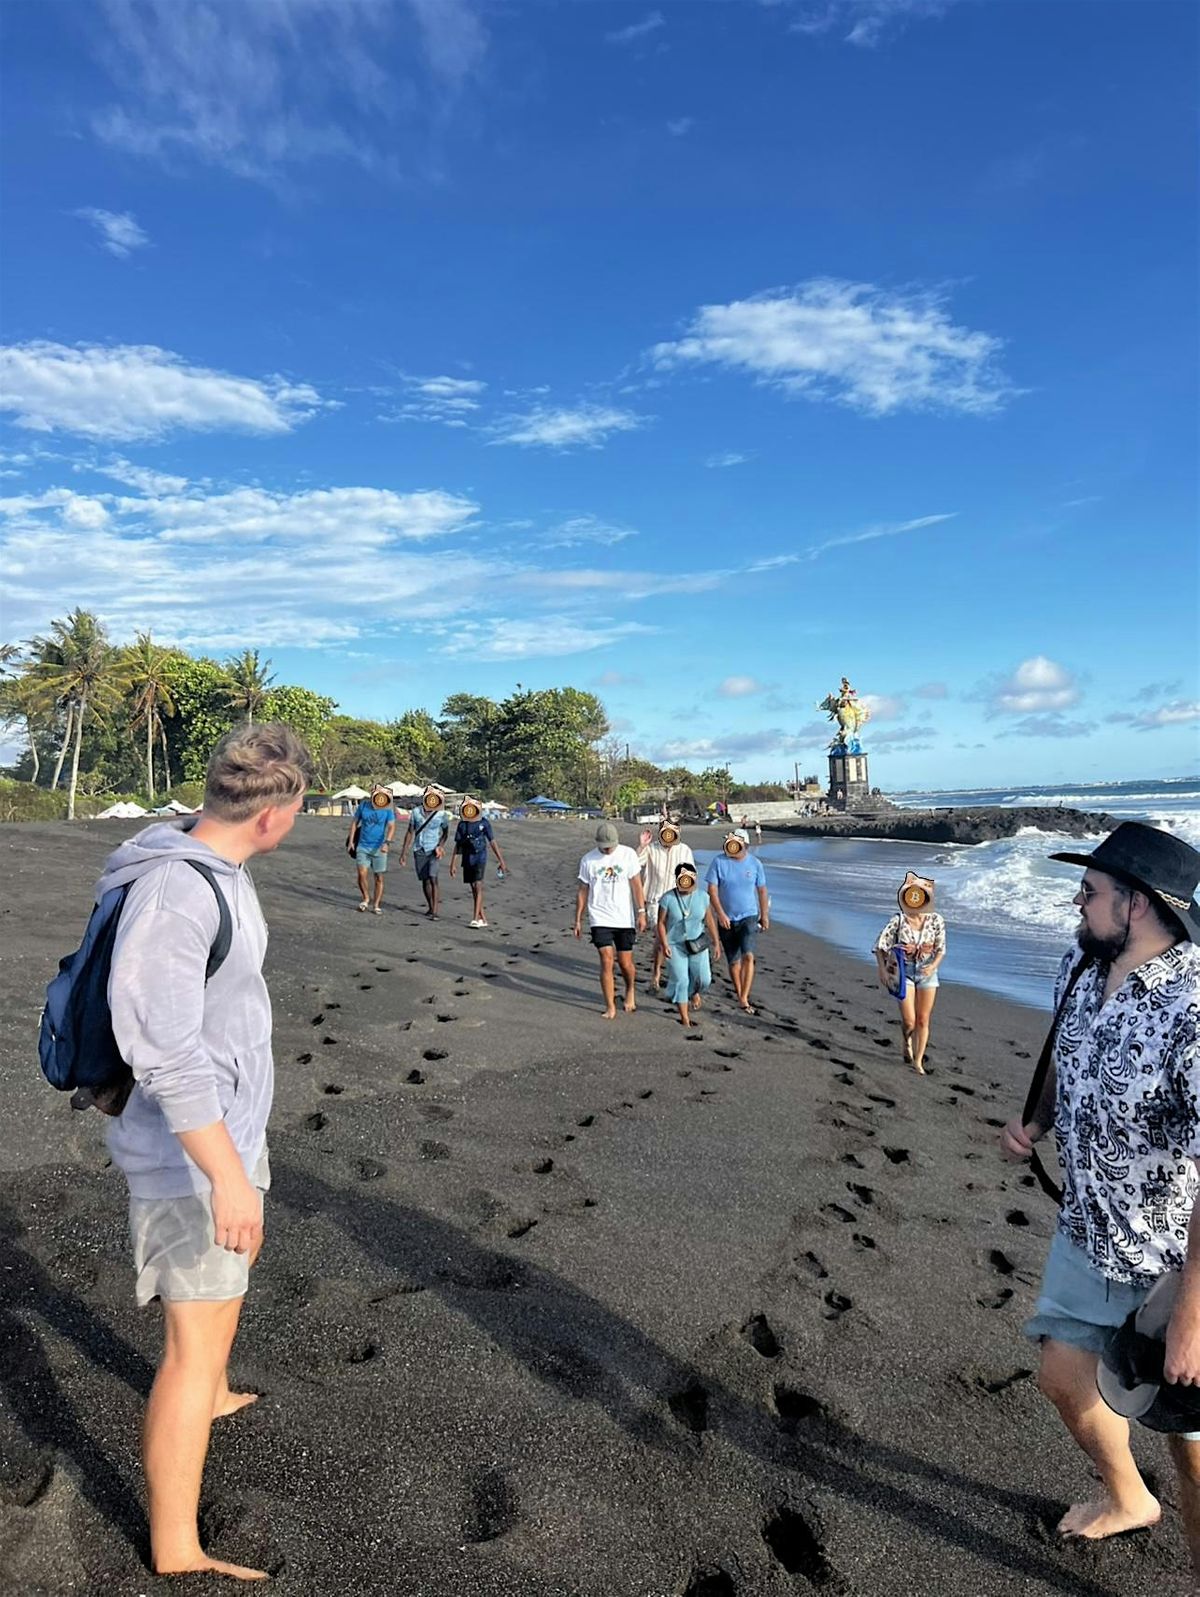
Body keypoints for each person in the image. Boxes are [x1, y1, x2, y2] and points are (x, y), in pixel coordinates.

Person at [101, 722, 310, 1581]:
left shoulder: (221, 870)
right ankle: (177, 1546)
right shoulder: (179, 895)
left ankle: (214, 1389)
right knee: (189, 1347)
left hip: (227, 1135)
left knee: (221, 1307)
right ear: (272, 816)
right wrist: (227, 1177)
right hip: (189, 1157)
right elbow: (163, 1051)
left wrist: (240, 1159)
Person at [1000, 822, 1200, 1562]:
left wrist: (1191, 1312)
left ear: (1139, 904)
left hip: (1175, 1266)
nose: (1075, 903)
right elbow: (1065, 1053)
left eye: (1089, 891)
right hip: (1086, 1230)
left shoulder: (1193, 1012)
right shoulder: (1081, 967)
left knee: (1191, 1447)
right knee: (1060, 1376)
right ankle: (1127, 1496)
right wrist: (1035, 1118)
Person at [873, 872, 946, 1073]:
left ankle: (918, 1060)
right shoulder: (899, 920)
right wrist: (883, 970)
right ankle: (906, 1042)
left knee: (923, 1019)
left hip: (928, 971)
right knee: (909, 1020)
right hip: (903, 972)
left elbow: (941, 949)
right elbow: (880, 945)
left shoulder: (936, 921)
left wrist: (933, 965)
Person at [574, 821, 647, 1019]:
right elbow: (583, 890)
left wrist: (641, 911)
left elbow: (636, 884)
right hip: (599, 916)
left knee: (625, 963)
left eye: (610, 845)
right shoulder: (588, 860)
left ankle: (630, 989)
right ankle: (610, 1006)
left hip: (624, 917)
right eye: (604, 846)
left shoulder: (628, 854)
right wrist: (578, 919)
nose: (607, 849)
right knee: (607, 960)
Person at [705, 829, 769, 1013]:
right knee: (733, 961)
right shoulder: (719, 862)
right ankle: (740, 992)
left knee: (748, 955)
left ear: (745, 845)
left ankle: (743, 998)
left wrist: (764, 915)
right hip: (726, 919)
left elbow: (762, 890)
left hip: (749, 916)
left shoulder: (755, 864)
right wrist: (721, 914)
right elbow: (712, 890)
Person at [658, 860, 721, 1028]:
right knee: (681, 980)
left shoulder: (702, 897)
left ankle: (694, 993)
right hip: (675, 945)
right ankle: (685, 1019)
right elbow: (661, 923)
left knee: (704, 980)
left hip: (697, 944)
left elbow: (709, 920)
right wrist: (664, 944)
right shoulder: (668, 898)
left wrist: (716, 942)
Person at [637, 819, 695, 991]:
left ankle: (673, 974)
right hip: (655, 900)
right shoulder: (651, 848)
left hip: (679, 900)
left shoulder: (684, 850)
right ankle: (656, 974)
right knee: (663, 939)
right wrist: (641, 846)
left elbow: (690, 877)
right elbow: (635, 864)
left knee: (676, 940)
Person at [449, 797, 507, 928]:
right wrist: (453, 863)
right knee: (473, 888)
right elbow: (458, 845)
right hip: (467, 858)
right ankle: (483, 918)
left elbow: (492, 842)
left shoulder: (484, 823)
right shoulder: (462, 824)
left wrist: (501, 860)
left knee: (478, 885)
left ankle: (475, 918)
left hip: (480, 857)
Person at [398, 786, 450, 918]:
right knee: (425, 880)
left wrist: (440, 845)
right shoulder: (416, 812)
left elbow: (445, 833)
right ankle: (431, 907)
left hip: (433, 849)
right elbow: (410, 832)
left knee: (433, 878)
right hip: (419, 848)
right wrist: (404, 853)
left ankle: (435, 911)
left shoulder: (441, 814)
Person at [346, 785, 395, 914]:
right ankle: (365, 898)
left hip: (379, 847)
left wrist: (387, 843)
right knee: (362, 874)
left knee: (379, 877)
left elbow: (391, 827)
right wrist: (351, 841)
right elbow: (354, 823)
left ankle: (376, 904)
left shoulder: (387, 809)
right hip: (362, 845)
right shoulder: (363, 806)